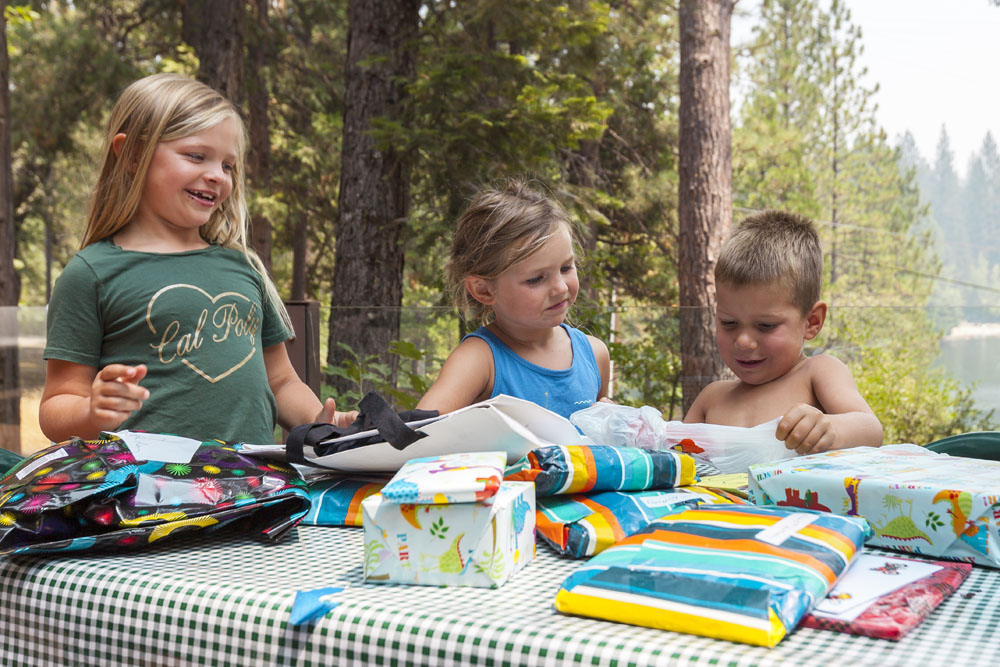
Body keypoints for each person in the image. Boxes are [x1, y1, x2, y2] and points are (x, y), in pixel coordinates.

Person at [39, 73, 355, 446]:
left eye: (228, 166)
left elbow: (281, 381)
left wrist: (322, 422)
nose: (217, 176)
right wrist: (92, 412)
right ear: (133, 154)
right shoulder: (90, 274)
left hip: (250, 477)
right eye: (196, 156)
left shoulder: (245, 267)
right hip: (149, 482)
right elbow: (56, 405)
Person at [683, 209, 883, 454]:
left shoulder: (817, 373)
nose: (743, 341)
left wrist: (830, 428)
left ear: (812, 322)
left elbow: (871, 428)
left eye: (766, 326)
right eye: (729, 323)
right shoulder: (711, 399)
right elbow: (676, 461)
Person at [416, 178, 610, 419]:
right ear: (484, 290)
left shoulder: (595, 355)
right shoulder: (479, 359)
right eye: (536, 279)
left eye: (566, 268)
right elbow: (419, 430)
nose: (560, 288)